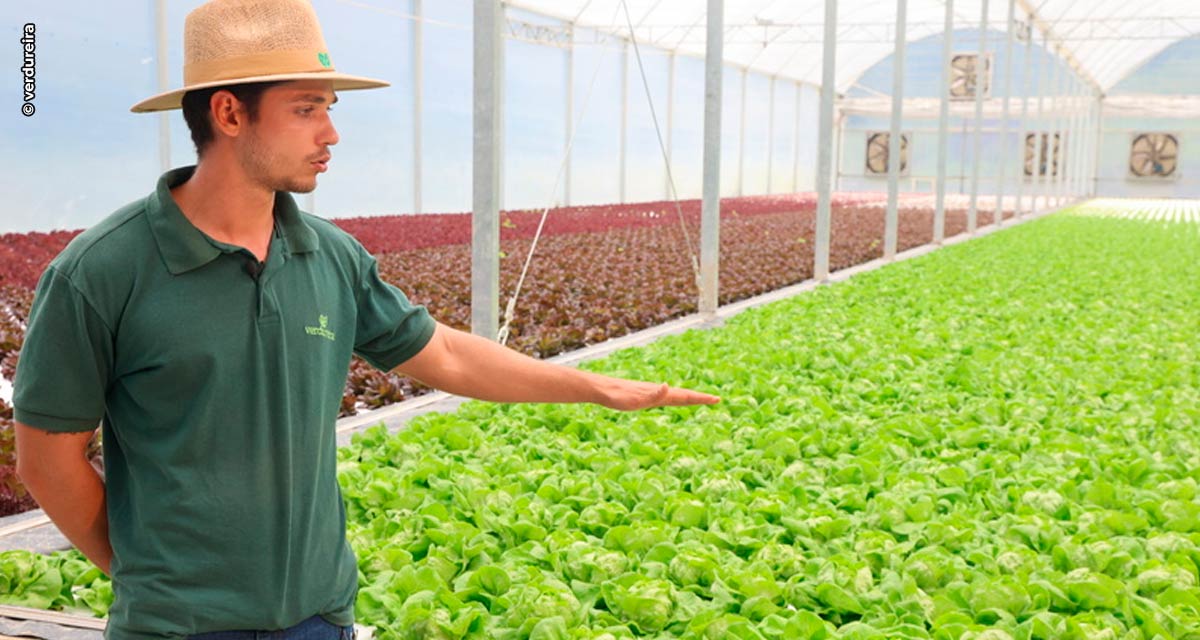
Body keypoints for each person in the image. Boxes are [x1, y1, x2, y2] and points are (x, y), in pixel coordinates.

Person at [11, 1, 719, 638]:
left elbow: (444, 354)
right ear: (229, 114)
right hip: (177, 629)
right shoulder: (102, 272)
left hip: (319, 617)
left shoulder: (330, 256)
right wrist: (149, 575)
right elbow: (47, 461)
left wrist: (593, 387)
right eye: (308, 108)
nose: (332, 132)